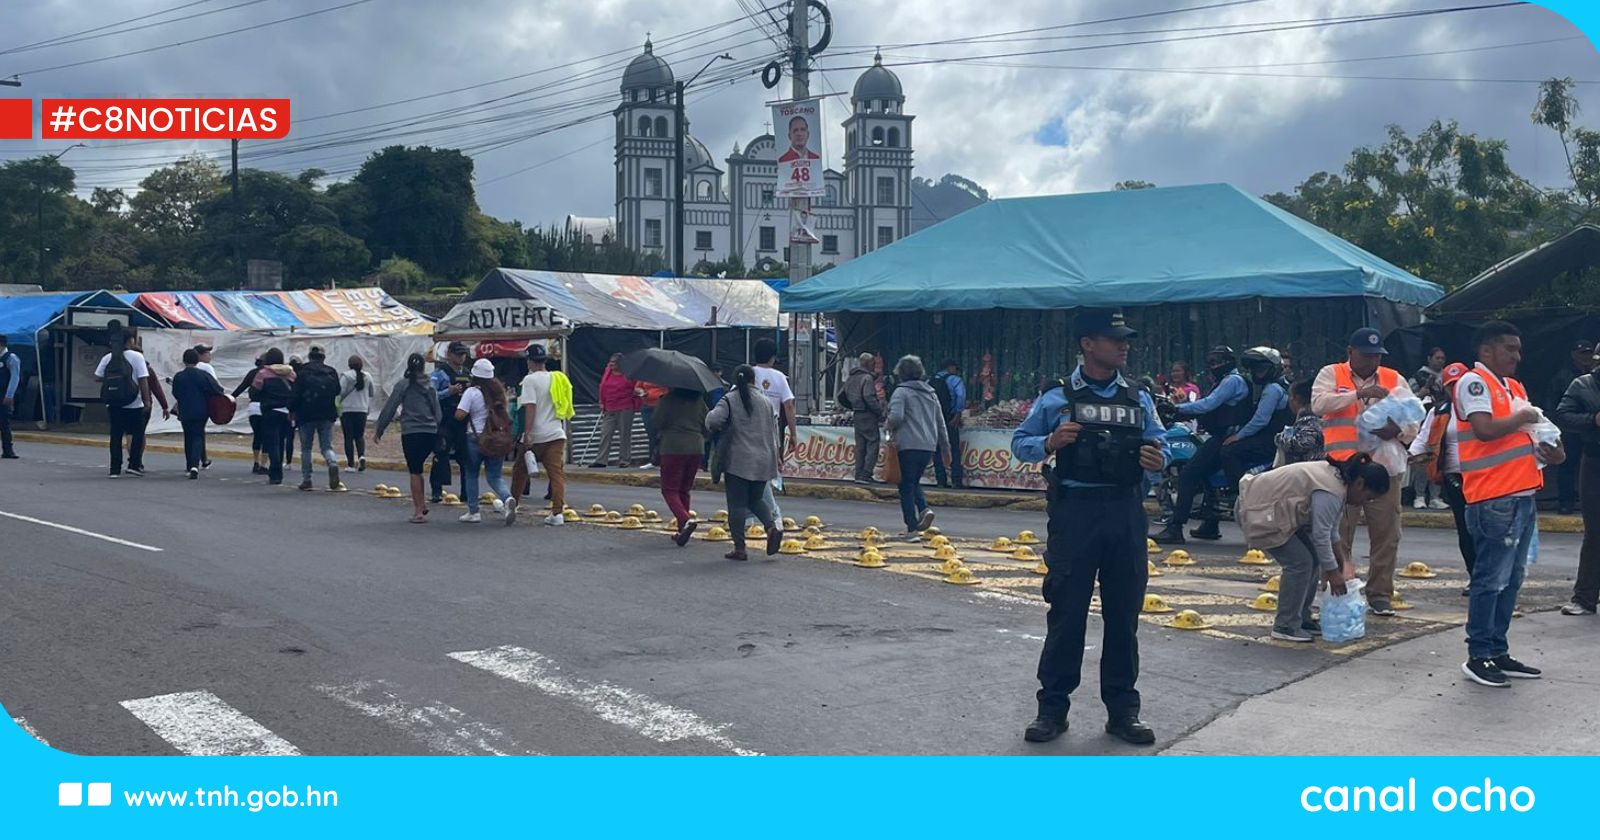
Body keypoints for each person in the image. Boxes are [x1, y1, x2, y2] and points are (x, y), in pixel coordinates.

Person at [1011, 308, 1169, 746]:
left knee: (1124, 617)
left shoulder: (1139, 396)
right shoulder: (1056, 398)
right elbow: (1020, 443)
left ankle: (1123, 712)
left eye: (1125, 339)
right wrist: (1048, 442)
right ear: (1087, 344)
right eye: (1113, 338)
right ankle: (1052, 710)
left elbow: (1161, 443)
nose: (1123, 346)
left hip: (1125, 512)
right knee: (1067, 613)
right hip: (1076, 513)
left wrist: (1159, 460)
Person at [1456, 321, 1564, 687]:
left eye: (1518, 349)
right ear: (1486, 351)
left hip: (1521, 494)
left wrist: (1552, 449)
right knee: (1491, 578)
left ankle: (1497, 649)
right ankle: (1479, 655)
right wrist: (1522, 417)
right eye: (1510, 349)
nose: (1518, 356)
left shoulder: (1512, 386)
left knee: (1512, 579)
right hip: (1492, 497)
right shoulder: (1474, 383)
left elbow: (1533, 434)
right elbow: (1484, 430)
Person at [1312, 328, 1418, 617]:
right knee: (1339, 534)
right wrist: (1358, 394)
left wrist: (1398, 431)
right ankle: (1336, 588)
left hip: (1385, 468)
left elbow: (1414, 417)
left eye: (1376, 356)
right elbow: (1319, 405)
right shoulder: (1331, 373)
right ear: (1350, 352)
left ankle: (1380, 593)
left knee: (1386, 534)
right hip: (1343, 469)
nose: (1372, 361)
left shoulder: (1394, 378)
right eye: (1366, 355)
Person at [1238, 454, 1390, 642]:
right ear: (1359, 484)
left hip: (1276, 512)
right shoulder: (1331, 491)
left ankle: (1301, 617)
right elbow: (1321, 535)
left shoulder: (1339, 483)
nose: (1364, 503)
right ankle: (1285, 625)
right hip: (1257, 509)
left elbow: (1332, 532)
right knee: (1300, 563)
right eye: (1368, 497)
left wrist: (1340, 566)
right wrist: (1333, 573)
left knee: (1313, 559)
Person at [1151, 345, 1250, 544]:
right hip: (1225, 434)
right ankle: (1210, 523)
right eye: (1211, 362)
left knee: (1189, 473)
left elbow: (1208, 404)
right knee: (1205, 473)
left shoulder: (1232, 381)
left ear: (1227, 362)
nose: (1213, 366)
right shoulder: (1230, 380)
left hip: (1225, 436)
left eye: (1216, 362)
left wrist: (1176, 408)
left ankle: (1175, 527)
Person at [706, 365, 783, 561]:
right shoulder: (766, 402)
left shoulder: (729, 400)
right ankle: (771, 527)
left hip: (738, 459)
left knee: (737, 504)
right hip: (764, 459)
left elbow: (712, 421)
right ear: (753, 380)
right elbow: (775, 433)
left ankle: (740, 548)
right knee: (756, 499)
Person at [1412, 362, 1475, 581]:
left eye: (1459, 384)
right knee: (1465, 529)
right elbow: (1423, 439)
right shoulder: (1439, 411)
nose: (1456, 389)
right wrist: (1408, 458)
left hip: (1482, 477)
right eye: (1451, 385)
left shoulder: (1483, 409)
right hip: (1453, 477)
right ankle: (1474, 574)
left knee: (1485, 529)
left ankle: (1489, 575)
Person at [1555, 344, 1600, 617]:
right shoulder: (1582, 384)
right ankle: (1584, 597)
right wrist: (1593, 420)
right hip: (1595, 459)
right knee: (1595, 530)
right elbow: (1562, 414)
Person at [886, 355, 951, 540]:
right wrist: (945, 449)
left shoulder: (901, 392)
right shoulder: (931, 393)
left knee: (905, 485)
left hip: (907, 444)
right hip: (928, 445)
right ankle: (924, 509)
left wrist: (887, 425)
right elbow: (940, 423)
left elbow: (896, 417)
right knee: (913, 481)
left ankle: (912, 528)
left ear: (901, 373)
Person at [375, 352, 444, 524]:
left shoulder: (403, 385)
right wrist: (437, 428)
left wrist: (380, 429)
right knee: (419, 468)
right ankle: (422, 503)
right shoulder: (430, 385)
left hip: (411, 432)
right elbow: (438, 412)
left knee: (414, 470)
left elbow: (390, 407)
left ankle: (418, 511)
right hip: (430, 432)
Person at [1217, 347, 1291, 494]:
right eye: (1255, 369)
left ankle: (1241, 493)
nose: (1257, 372)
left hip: (1270, 440)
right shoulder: (1282, 386)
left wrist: (1238, 436)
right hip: (1277, 438)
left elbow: (1260, 421)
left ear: (1273, 368)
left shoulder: (1272, 389)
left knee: (1228, 451)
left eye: (1261, 368)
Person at [511, 344, 570, 527]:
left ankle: (513, 504)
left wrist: (527, 434)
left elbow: (531, 407)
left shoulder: (530, 380)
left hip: (536, 434)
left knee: (520, 472)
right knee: (556, 475)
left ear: (529, 361)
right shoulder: (558, 378)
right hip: (556, 433)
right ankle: (557, 512)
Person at [455, 358, 513, 524]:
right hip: (496, 438)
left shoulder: (472, 393)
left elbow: (459, 414)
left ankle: (474, 512)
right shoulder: (499, 393)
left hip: (475, 438)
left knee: (471, 474)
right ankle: (507, 498)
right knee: (495, 476)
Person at [94, 323, 153, 478]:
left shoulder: (109, 357)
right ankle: (134, 465)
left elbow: (97, 377)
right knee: (138, 434)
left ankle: (114, 469)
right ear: (130, 341)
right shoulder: (137, 357)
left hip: (114, 403)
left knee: (116, 436)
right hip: (134, 403)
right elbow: (143, 380)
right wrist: (147, 401)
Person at [653, 386, 708, 546]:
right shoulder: (699, 401)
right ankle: (681, 529)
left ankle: (684, 519)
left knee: (669, 489)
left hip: (673, 446)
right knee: (684, 489)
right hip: (696, 447)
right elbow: (707, 423)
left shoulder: (667, 400)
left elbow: (657, 422)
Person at [751, 338, 797, 522]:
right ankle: (771, 515)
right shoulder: (779, 377)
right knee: (767, 471)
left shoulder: (748, 373)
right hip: (772, 430)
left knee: (749, 473)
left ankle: (764, 516)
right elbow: (789, 406)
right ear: (773, 357)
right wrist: (793, 434)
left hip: (748, 429)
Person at [291, 346, 346, 493]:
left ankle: (307, 479)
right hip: (327, 414)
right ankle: (332, 462)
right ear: (323, 357)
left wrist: (292, 410)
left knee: (306, 448)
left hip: (306, 415)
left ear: (309, 357)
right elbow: (338, 391)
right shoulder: (331, 372)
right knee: (326, 446)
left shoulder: (302, 372)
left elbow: (295, 395)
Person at [1548, 340, 1593, 514]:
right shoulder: (1563, 376)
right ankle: (1566, 502)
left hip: (1591, 430)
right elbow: (1554, 405)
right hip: (1571, 430)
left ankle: (1589, 502)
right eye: (1582, 353)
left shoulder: (1595, 377)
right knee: (1568, 465)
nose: (1586, 357)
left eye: (1589, 353)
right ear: (1574, 355)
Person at [428, 342, 473, 501]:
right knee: (441, 453)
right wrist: (449, 391)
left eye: (463, 354)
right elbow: (431, 395)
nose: (461, 357)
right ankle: (436, 491)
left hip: (463, 420)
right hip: (445, 419)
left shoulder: (467, 373)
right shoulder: (440, 373)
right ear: (449, 355)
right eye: (458, 354)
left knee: (464, 457)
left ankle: (466, 492)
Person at [171, 348, 224, 479]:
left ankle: (189, 465)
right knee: (198, 436)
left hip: (185, 410)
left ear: (184, 361)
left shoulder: (179, 376)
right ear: (197, 360)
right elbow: (218, 390)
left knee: (188, 436)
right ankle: (195, 465)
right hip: (201, 410)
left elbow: (175, 393)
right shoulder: (204, 375)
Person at [1407, 347, 1449, 509]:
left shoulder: (1446, 377)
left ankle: (1435, 496)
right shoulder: (1418, 377)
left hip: (1440, 422)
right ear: (1429, 358)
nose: (1440, 361)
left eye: (1442, 358)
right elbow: (1410, 400)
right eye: (1437, 358)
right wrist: (1425, 389)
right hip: (1423, 420)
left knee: (1438, 460)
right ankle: (1419, 496)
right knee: (1422, 461)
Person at [252, 348, 295, 486]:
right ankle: (279, 470)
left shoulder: (263, 373)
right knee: (281, 441)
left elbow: (254, 392)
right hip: (286, 412)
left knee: (272, 443)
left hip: (270, 411)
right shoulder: (291, 373)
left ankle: (275, 473)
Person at [842, 353, 885, 483]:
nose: (874, 365)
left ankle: (859, 473)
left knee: (860, 446)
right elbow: (869, 397)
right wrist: (879, 411)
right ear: (867, 364)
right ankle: (866, 473)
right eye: (872, 363)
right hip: (867, 414)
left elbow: (842, 395)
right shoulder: (867, 378)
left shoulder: (851, 378)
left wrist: (853, 406)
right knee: (873, 444)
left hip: (857, 414)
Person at [591, 353, 638, 468]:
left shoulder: (629, 374)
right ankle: (601, 460)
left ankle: (624, 460)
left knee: (624, 434)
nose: (611, 364)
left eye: (614, 363)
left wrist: (635, 405)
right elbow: (602, 386)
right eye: (610, 362)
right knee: (605, 433)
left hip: (625, 406)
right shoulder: (608, 372)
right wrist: (602, 401)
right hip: (609, 406)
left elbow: (635, 389)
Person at [931, 359, 967, 489]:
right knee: (954, 449)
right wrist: (957, 414)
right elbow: (961, 397)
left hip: (933, 418)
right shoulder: (955, 380)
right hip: (949, 418)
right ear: (950, 367)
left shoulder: (929, 381)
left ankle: (941, 481)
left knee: (937, 450)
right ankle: (956, 481)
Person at [1275, 378, 1324, 466]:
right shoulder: (1319, 416)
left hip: (1311, 469)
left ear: (1296, 398)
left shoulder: (1310, 420)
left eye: (1290, 397)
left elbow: (1304, 443)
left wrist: (1281, 438)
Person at [234, 356, 268, 475]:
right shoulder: (270, 374)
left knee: (257, 435)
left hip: (253, 407)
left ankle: (255, 462)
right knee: (266, 436)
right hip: (266, 407)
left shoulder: (252, 373)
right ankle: (263, 465)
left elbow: (241, 388)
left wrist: (230, 397)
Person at [340, 355, 374, 472]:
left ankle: (350, 465)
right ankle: (361, 456)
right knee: (359, 436)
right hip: (362, 410)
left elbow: (340, 392)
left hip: (347, 410)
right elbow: (371, 393)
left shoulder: (346, 376)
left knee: (348, 437)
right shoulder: (368, 376)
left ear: (349, 364)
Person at [637, 380, 669, 468]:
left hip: (662, 406)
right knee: (651, 433)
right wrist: (641, 392)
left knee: (661, 434)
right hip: (647, 406)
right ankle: (653, 460)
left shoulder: (666, 375)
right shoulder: (645, 374)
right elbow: (637, 388)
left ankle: (664, 460)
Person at [0, 334, 20, 459]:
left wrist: (9, 395)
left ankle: (8, 450)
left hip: (4, 395)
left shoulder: (11, 358)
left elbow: (15, 378)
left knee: (4, 423)